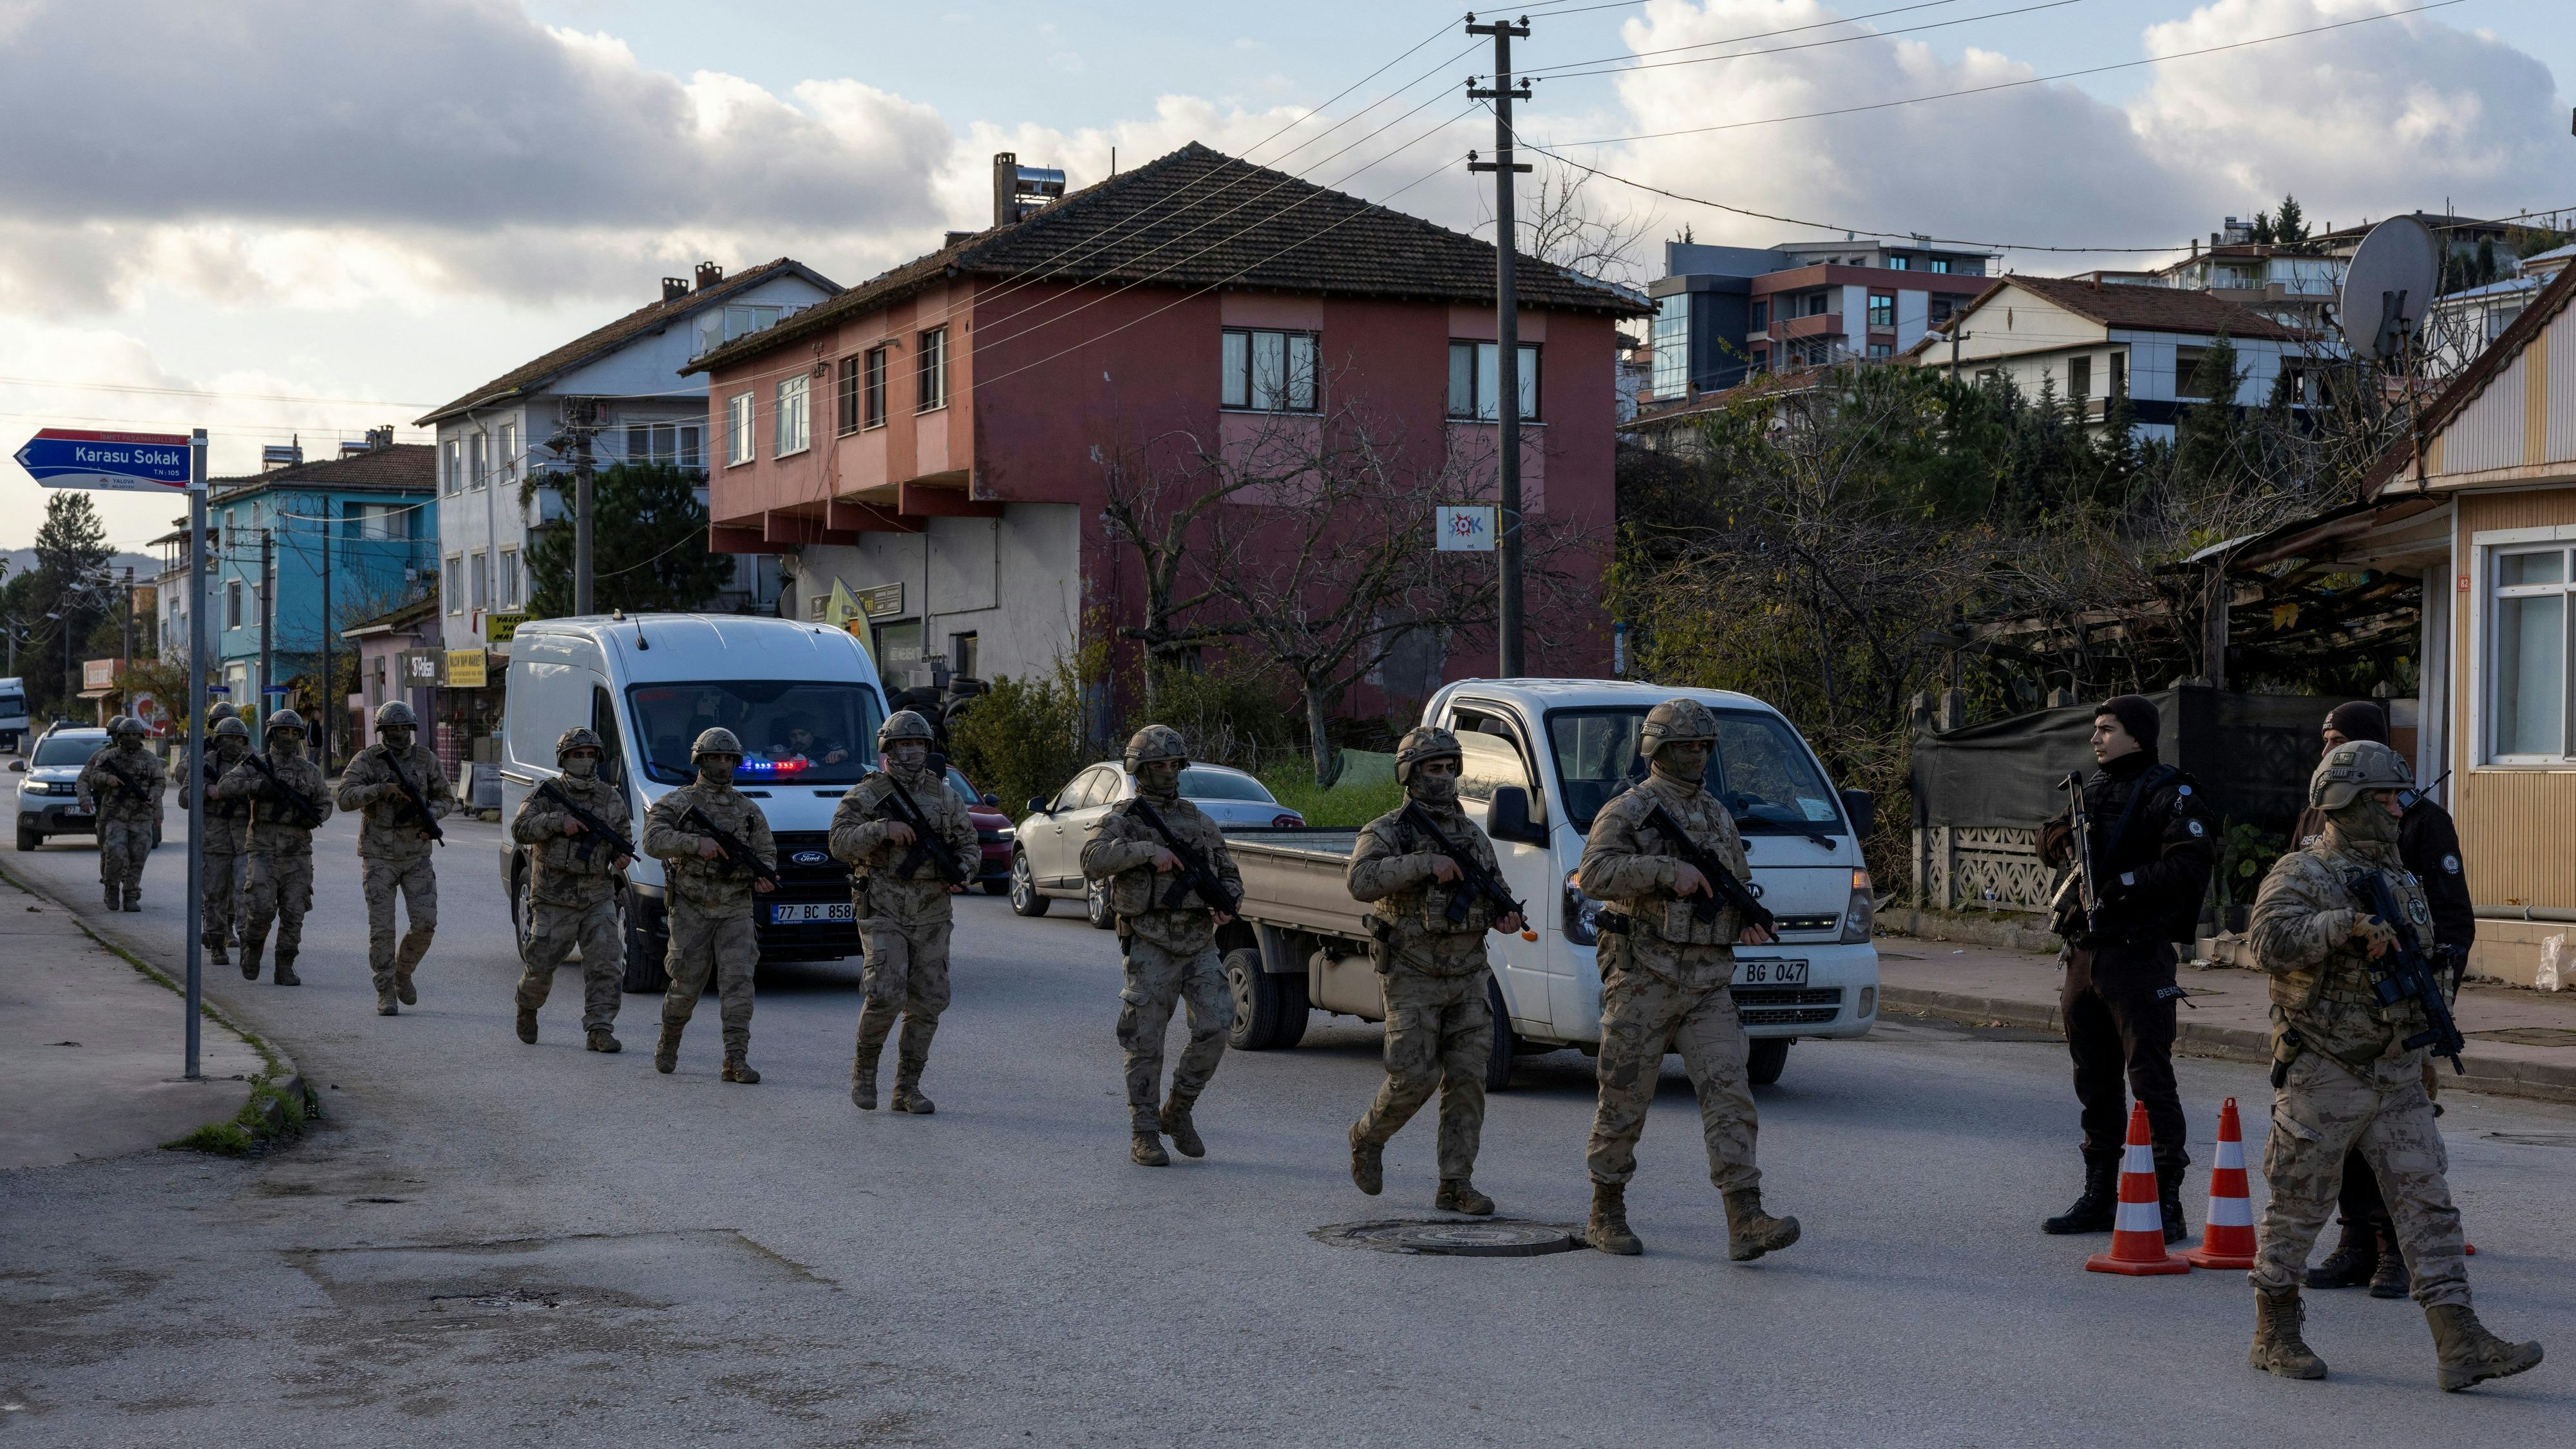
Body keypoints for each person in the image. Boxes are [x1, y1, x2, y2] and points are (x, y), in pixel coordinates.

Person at [2244, 740, 2541, 1390]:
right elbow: (2264, 940)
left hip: (2394, 1073)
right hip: (2323, 1069)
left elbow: (2426, 961)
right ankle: (2275, 1330)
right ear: (2346, 802)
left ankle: (2458, 1340)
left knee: (2428, 1204)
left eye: (2398, 796)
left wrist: (2426, 1023)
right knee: (2299, 1205)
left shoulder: (2404, 879)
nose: (2397, 809)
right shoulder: (2304, 872)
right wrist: (2343, 927)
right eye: (2384, 798)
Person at [1574, 697, 1798, 1261]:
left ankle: (1745, 1215)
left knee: (1730, 1092)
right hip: (1643, 976)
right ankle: (1606, 1209)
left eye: (1702, 747)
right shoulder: (1629, 810)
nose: (1696, 756)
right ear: (1659, 750)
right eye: (1684, 747)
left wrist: (1740, 921)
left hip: (1706, 983)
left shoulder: (1718, 815)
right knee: (1624, 1096)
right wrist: (1666, 872)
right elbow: (1593, 873)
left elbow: (1729, 887)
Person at [2291, 702, 2475, 1299]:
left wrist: (2430, 1003)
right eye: (2323, 741)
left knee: (2400, 1145)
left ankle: (2395, 1252)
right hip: (2331, 1020)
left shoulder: (2420, 820)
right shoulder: (2319, 817)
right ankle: (2353, 1244)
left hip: (2399, 1014)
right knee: (2339, 1138)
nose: (2325, 752)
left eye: (2338, 740)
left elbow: (2451, 925)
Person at [2036, 694, 2212, 1242]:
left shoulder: (2170, 792)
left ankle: (2166, 1200)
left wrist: (2126, 885)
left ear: (2137, 737)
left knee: (2150, 1081)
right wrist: (2059, 838)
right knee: (2094, 1080)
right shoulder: (2091, 791)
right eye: (2095, 729)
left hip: (2138, 954)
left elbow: (2189, 863)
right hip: (2087, 956)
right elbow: (2047, 839)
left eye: (2106, 730)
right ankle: (2099, 1194)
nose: (2096, 739)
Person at [1344, 726, 1525, 1215]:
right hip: (1412, 973)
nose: (1443, 778)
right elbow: (1359, 880)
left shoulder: (1471, 834)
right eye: (1433, 768)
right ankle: (1367, 1136)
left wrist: (1504, 918)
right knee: (1413, 1078)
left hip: (1468, 975)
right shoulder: (1389, 831)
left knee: (1468, 1080)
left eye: (1450, 768)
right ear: (1410, 772)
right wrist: (1423, 863)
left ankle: (1456, 1182)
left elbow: (1494, 893)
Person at [1081, 724, 1241, 1167]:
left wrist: (1229, 902)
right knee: (1144, 1041)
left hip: (1197, 941)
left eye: (1174, 765)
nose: (1167, 773)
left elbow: (1228, 872)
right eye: (1157, 766)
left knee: (1216, 1025)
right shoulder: (1123, 820)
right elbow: (1091, 861)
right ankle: (1145, 1131)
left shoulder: (1199, 822)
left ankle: (1179, 1109)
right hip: (1150, 942)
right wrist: (1146, 852)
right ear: (1140, 770)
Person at [829, 710, 979, 1112]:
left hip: (932, 912)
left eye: (918, 745)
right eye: (902, 745)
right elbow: (839, 843)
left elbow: (969, 846)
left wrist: (963, 870)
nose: (911, 752)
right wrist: (882, 830)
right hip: (883, 908)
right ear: (887, 750)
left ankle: (907, 1087)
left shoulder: (947, 797)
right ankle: (864, 1072)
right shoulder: (867, 795)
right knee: (885, 993)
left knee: (930, 1000)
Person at [641, 727, 776, 1082]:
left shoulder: (749, 810)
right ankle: (669, 1040)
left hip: (735, 909)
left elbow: (766, 853)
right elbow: (652, 840)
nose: (721, 764)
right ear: (700, 761)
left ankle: (735, 1059)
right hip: (692, 906)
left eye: (728, 758)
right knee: (685, 983)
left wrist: (763, 877)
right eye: (714, 757)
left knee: (739, 985)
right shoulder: (678, 802)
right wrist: (692, 844)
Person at [510, 727, 632, 1052]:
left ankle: (600, 1028)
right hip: (553, 896)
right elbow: (520, 829)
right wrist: (554, 822)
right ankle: (528, 1006)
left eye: (591, 755)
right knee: (541, 965)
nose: (585, 760)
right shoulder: (548, 794)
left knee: (606, 964)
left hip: (597, 894)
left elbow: (621, 836)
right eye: (578, 755)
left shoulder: (611, 798)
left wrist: (620, 856)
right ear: (564, 759)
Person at [335, 700, 457, 1016]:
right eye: (393, 729)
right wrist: (379, 790)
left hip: (416, 854)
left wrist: (431, 816)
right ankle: (386, 989)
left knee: (425, 924)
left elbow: (446, 796)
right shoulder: (368, 760)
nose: (400, 734)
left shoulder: (425, 759)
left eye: (405, 728)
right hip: (379, 856)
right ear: (383, 732)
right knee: (382, 929)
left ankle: (404, 973)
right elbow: (345, 797)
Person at [212, 709, 333, 985]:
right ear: (272, 734)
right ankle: (252, 948)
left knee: (294, 912)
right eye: (283, 732)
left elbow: (326, 803)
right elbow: (225, 784)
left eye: (294, 732)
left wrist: (314, 816)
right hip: (264, 851)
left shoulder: (309, 770)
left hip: (298, 853)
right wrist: (258, 786)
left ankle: (285, 964)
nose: (289, 737)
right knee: (261, 909)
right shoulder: (257, 764)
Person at [183, 715, 254, 966]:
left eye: (238, 738)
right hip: (214, 841)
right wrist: (205, 791)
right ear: (218, 740)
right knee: (214, 895)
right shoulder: (205, 764)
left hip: (244, 841)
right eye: (227, 738)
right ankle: (216, 944)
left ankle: (248, 944)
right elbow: (184, 797)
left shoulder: (252, 764)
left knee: (246, 895)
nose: (233, 742)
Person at [78, 715, 165, 912]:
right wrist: (106, 778)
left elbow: (159, 782)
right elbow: (91, 776)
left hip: (142, 816)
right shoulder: (108, 757)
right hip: (115, 815)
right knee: (114, 853)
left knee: (139, 856)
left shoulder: (150, 759)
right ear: (119, 736)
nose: (131, 738)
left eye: (135, 734)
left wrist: (154, 799)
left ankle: (131, 894)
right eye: (127, 734)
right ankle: (112, 888)